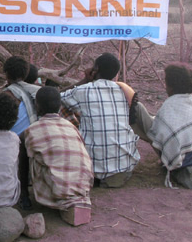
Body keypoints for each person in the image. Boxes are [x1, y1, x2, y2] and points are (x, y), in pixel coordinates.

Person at [60, 53, 140, 187]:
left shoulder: (83, 90)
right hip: (125, 166)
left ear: (95, 69)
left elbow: (52, 98)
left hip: (93, 170)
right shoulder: (124, 91)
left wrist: (84, 80)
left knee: (59, 108)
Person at [23, 87, 93, 225]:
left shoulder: (33, 129)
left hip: (58, 189)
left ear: (37, 106)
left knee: (30, 152)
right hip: (84, 184)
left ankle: (24, 194)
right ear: (60, 106)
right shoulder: (71, 126)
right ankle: (74, 197)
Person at [132, 64, 192, 187]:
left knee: (138, 109)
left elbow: (162, 131)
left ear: (171, 87)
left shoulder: (169, 105)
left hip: (178, 160)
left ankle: (166, 159)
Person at [3, 56, 39, 135]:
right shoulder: (38, 92)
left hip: (10, 139)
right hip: (33, 137)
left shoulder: (5, 96)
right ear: (25, 74)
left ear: (7, 74)